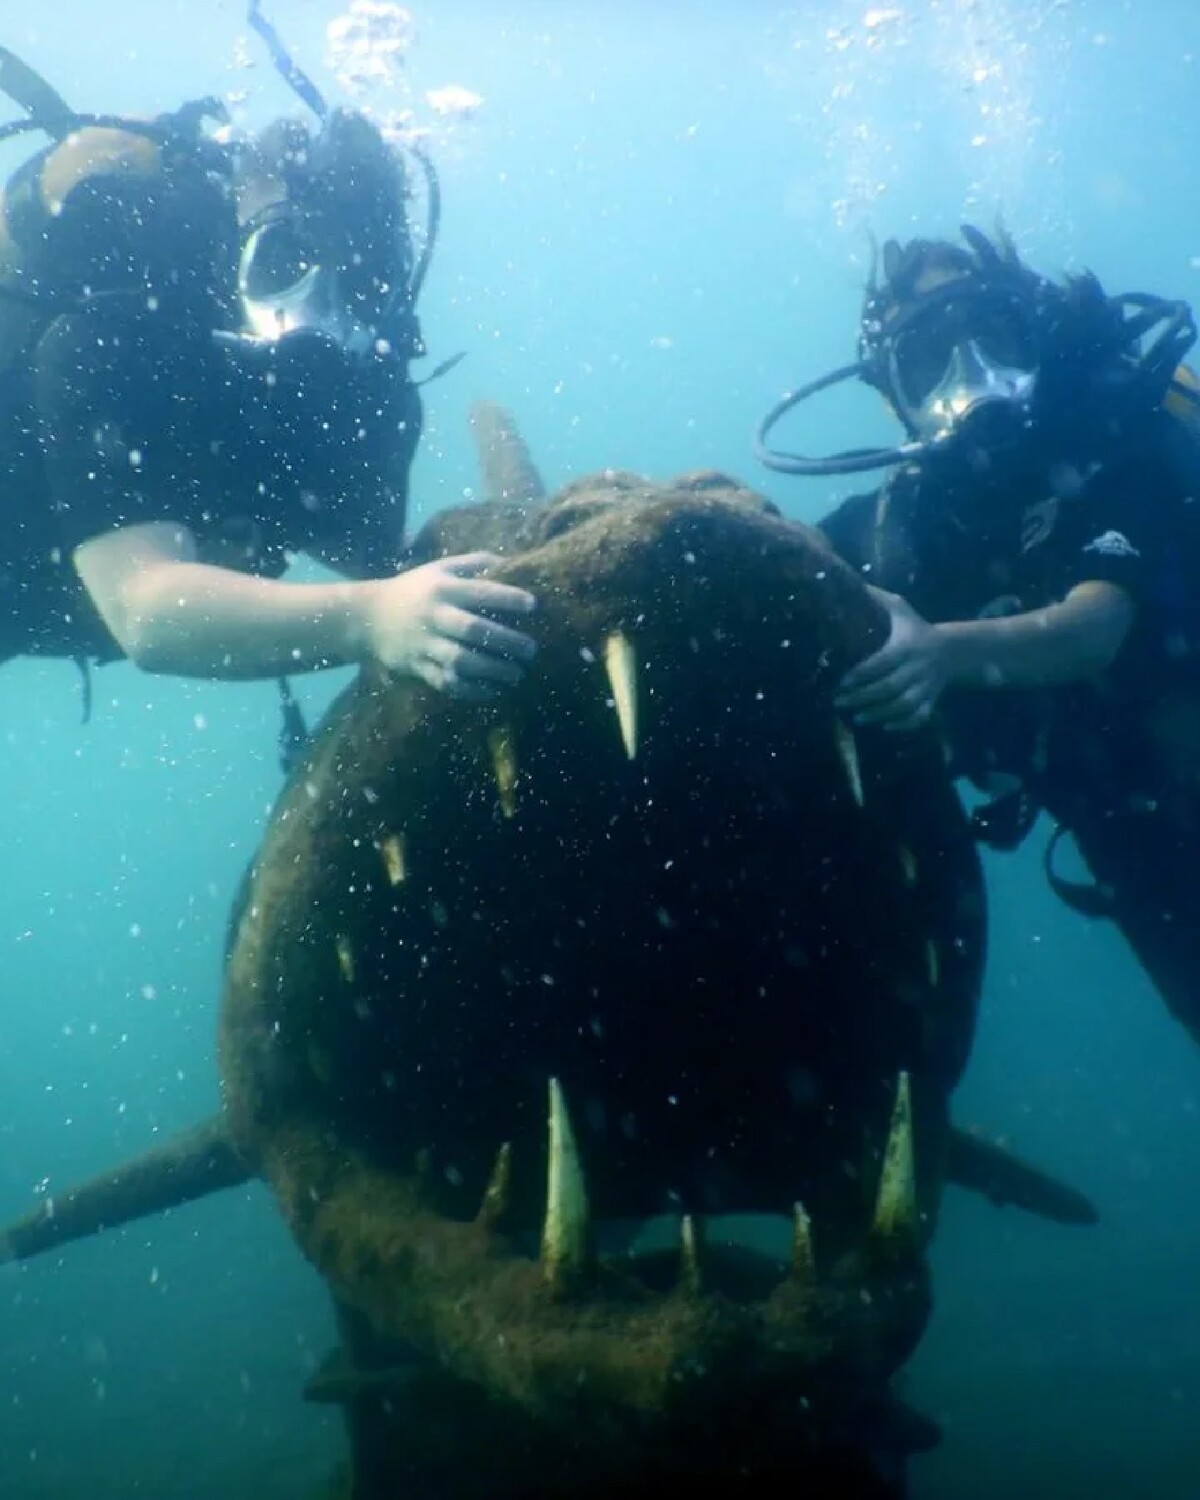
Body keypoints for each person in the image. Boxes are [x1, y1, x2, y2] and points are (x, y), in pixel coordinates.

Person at [0, 26, 536, 758]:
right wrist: (373, 619)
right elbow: (144, 610)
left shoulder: (355, 390)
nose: (321, 321)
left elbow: (394, 569)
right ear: (249, 239)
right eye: (293, 265)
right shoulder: (111, 329)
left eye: (357, 291)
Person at [755, 223, 1200, 1046]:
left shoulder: (1115, 446)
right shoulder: (894, 527)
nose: (974, 378)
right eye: (932, 357)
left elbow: (1098, 624)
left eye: (991, 337)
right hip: (1131, 839)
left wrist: (943, 651)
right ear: (893, 387)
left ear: (1033, 330)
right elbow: (762, 587)